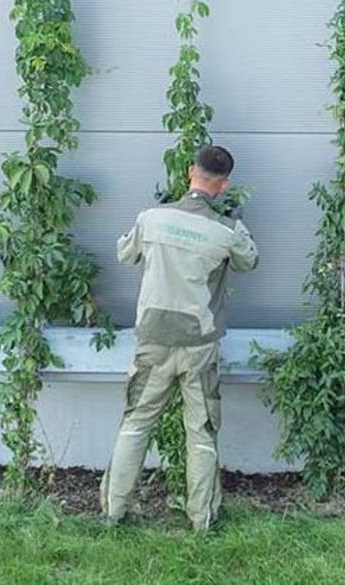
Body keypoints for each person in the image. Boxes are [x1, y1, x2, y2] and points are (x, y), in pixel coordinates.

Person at [101, 145, 258, 531]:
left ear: (190, 171)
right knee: (200, 431)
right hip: (199, 346)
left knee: (136, 423)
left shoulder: (151, 218)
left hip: (152, 340)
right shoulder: (227, 230)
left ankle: (113, 513)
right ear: (224, 185)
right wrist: (235, 222)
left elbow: (124, 254)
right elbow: (248, 261)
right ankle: (201, 520)